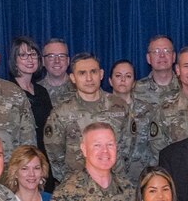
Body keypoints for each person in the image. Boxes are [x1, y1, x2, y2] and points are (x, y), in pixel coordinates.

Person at [42, 52, 134, 182]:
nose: (89, 78)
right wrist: (70, 181)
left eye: (93, 72)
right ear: (73, 78)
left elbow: (128, 147)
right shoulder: (61, 112)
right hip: (76, 187)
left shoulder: (119, 106)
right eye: (82, 73)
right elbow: (54, 154)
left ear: (101, 74)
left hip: (113, 183)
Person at [7, 36, 56, 144]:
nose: (30, 59)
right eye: (23, 55)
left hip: (44, 154)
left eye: (33, 54)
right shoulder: (8, 92)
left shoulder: (42, 91)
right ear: (15, 60)